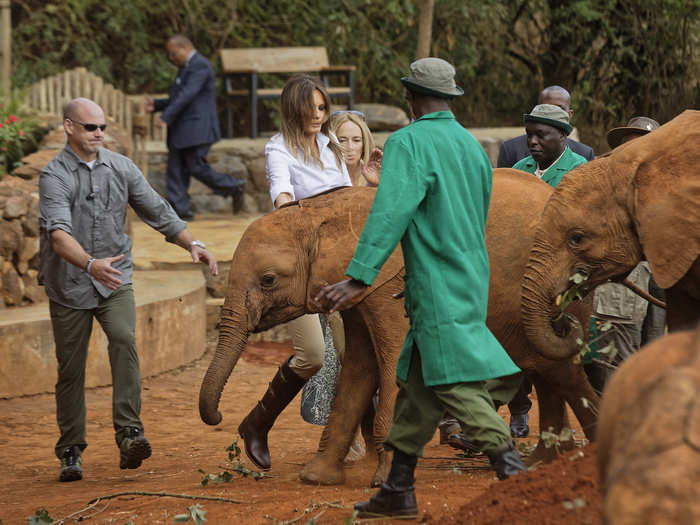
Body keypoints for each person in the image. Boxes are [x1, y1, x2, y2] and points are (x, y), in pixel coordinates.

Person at [314, 57, 527, 519]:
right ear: (448, 99)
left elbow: (391, 213)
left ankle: (517, 478)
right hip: (469, 277)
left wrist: (359, 276)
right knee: (414, 383)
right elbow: (469, 214)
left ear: (410, 98)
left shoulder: (409, 142)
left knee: (453, 381)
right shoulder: (472, 147)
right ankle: (398, 488)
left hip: (436, 283)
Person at [39, 98, 219, 482]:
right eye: (91, 127)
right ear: (70, 127)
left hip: (115, 279)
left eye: (102, 126)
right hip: (70, 285)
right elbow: (57, 236)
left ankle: (130, 434)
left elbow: (158, 210)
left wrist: (193, 244)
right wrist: (89, 264)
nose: (99, 133)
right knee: (71, 370)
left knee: (123, 340)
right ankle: (70, 450)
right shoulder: (54, 176)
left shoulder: (121, 167)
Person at [237, 75, 381, 471]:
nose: (318, 116)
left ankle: (367, 445)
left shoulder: (329, 145)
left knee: (356, 353)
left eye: (322, 108)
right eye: (310, 109)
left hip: (335, 265)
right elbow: (281, 196)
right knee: (313, 355)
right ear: (292, 110)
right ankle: (256, 423)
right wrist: (297, 214)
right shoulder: (278, 148)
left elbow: (344, 198)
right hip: (296, 267)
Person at [442, 103, 589, 447]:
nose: (532, 143)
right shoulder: (519, 169)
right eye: (529, 135)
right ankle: (543, 439)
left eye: (542, 135)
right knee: (526, 360)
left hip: (560, 285)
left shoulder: (579, 173)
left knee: (551, 365)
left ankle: (489, 430)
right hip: (513, 280)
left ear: (563, 137)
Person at [586, 116, 666, 393]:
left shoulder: (670, 184)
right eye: (631, 144)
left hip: (662, 281)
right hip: (623, 285)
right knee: (619, 356)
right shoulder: (605, 187)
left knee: (653, 352)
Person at [144, 34, 244, 221]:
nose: (171, 58)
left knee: (196, 166)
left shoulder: (200, 65)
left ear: (184, 48)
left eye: (173, 54)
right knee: (175, 169)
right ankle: (179, 211)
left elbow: (188, 95)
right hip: (182, 128)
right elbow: (179, 97)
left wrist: (166, 116)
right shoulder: (185, 67)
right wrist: (157, 105)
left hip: (197, 128)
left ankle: (233, 186)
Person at [497, 85, 594, 168]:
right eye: (545, 108)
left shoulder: (584, 155)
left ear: (570, 114)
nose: (550, 113)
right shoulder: (511, 150)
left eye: (558, 108)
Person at [330, 110, 379, 187]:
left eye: (356, 140)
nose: (350, 147)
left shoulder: (377, 175)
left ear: (365, 143)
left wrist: (373, 184)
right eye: (342, 141)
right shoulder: (325, 178)